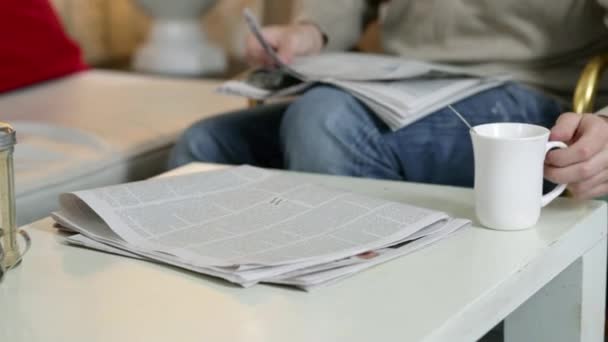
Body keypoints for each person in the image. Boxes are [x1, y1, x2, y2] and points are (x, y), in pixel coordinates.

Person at [170, 0, 608, 199]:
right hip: (403, 81)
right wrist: (308, 32)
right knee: (205, 146)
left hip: (530, 92)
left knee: (325, 119)